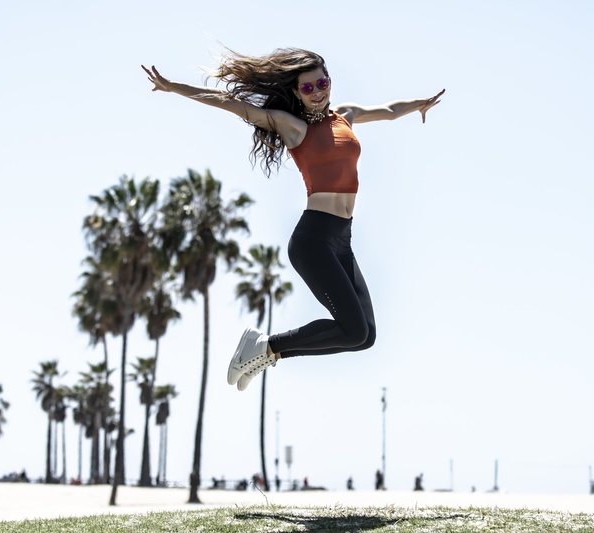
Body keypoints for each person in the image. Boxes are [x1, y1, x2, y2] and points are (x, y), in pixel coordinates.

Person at [143, 48, 443, 391]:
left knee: (365, 336)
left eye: (322, 83)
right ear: (296, 93)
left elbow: (389, 111)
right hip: (313, 240)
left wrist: (418, 103)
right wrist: (174, 87)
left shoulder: (345, 115)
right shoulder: (292, 126)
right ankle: (267, 346)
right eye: (308, 88)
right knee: (354, 330)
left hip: (342, 240)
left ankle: (267, 351)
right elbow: (230, 104)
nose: (318, 92)